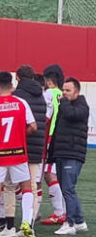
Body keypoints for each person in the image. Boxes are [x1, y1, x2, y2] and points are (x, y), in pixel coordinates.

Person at [0, 72, 38, 237]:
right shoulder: (21, 103)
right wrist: (19, 136)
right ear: (12, 85)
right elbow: (33, 127)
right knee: (26, 188)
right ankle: (26, 223)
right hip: (18, 151)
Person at [7, 65, 47, 237]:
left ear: (17, 78)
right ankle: (28, 224)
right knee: (31, 186)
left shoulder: (16, 96)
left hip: (18, 144)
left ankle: (7, 224)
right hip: (37, 146)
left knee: (9, 184)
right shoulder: (41, 96)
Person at [48, 78, 89, 236]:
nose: (64, 94)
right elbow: (58, 131)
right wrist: (52, 154)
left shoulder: (81, 106)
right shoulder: (65, 107)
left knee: (68, 188)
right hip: (62, 152)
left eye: (68, 91)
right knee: (67, 188)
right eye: (63, 90)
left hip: (72, 153)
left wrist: (63, 102)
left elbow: (73, 115)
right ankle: (79, 221)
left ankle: (69, 223)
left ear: (77, 92)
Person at [40, 65, 66, 225]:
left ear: (48, 80)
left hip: (50, 137)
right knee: (54, 174)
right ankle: (62, 211)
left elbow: (46, 116)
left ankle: (59, 212)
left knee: (49, 174)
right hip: (59, 136)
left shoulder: (48, 93)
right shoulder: (62, 94)